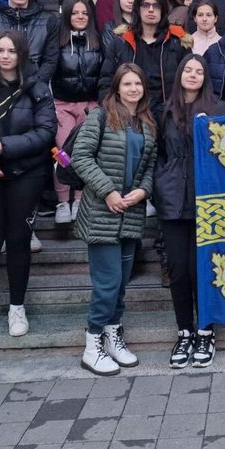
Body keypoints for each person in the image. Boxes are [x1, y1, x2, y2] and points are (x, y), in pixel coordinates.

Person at [0, 30, 57, 343]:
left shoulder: (36, 86)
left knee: (18, 239)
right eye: (0, 50)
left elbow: (46, 131)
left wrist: (3, 147)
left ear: (21, 54)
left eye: (11, 50)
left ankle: (17, 307)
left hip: (25, 170)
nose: (5, 56)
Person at [71, 63, 157, 375]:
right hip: (102, 213)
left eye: (138, 83)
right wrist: (107, 191)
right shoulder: (101, 116)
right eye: (127, 84)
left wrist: (143, 191)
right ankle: (92, 344)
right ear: (117, 87)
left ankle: (112, 336)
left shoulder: (146, 122)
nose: (133, 89)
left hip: (131, 214)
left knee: (120, 284)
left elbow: (150, 165)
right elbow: (81, 156)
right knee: (107, 284)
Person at [154, 55, 225, 368]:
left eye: (200, 71)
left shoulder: (219, 108)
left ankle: (205, 331)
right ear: (179, 74)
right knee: (179, 270)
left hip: (206, 198)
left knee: (203, 270)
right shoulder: (163, 109)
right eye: (188, 69)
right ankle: (184, 331)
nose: (194, 75)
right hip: (171, 198)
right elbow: (157, 152)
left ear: (206, 77)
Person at [99, 0, 189, 123]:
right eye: (145, 5)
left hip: (170, 115)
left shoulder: (178, 41)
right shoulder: (121, 41)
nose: (151, 10)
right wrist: (112, 111)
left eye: (156, 6)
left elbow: (189, 83)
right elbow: (106, 81)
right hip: (128, 114)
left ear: (163, 10)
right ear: (137, 9)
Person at [51, 0, 103, 224]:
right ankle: (63, 200)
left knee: (85, 152)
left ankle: (81, 199)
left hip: (89, 105)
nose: (80, 17)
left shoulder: (98, 41)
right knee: (63, 152)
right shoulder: (57, 42)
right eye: (75, 13)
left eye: (84, 13)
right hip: (62, 104)